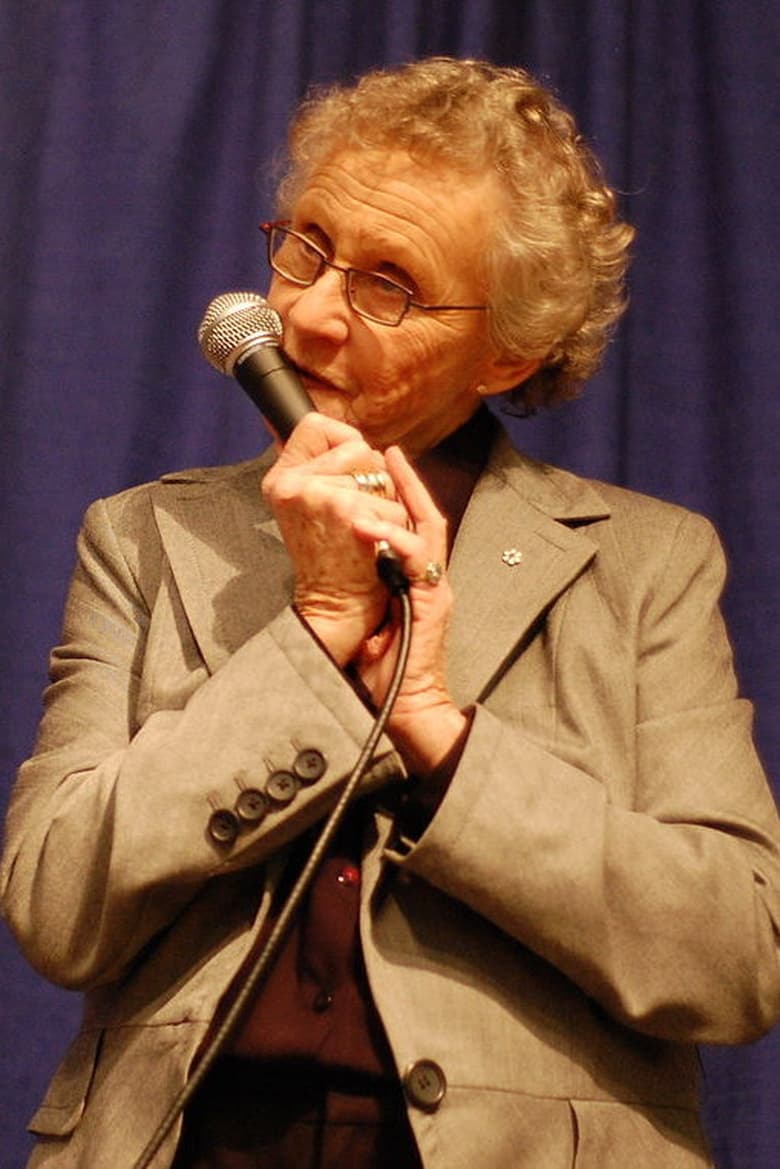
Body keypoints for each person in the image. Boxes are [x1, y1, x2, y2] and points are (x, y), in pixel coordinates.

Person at [2, 56, 779, 1169]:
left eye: (387, 285)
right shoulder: (142, 536)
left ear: (508, 351)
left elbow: (735, 956)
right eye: (307, 246)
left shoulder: (646, 564)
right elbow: (55, 904)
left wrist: (442, 738)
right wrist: (313, 634)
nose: (306, 315)